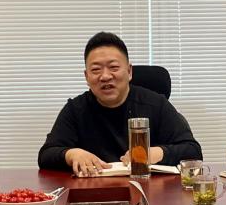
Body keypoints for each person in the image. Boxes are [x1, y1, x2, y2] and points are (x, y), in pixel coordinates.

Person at [39, 32, 203, 177]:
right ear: (86, 77)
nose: (105, 76)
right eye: (96, 70)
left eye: (113, 67)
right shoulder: (75, 109)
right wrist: (71, 154)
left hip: (149, 190)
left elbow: (193, 151)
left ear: (129, 72)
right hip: (94, 192)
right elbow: (46, 155)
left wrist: (156, 153)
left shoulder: (156, 104)